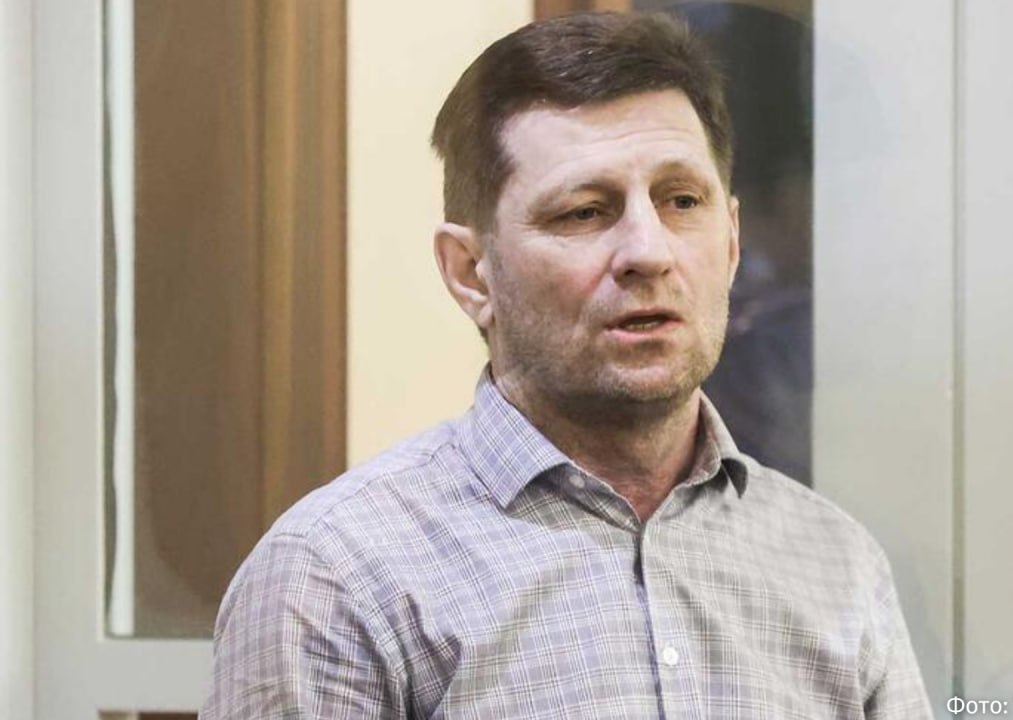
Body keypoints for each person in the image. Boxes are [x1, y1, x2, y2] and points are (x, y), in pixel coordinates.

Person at [203, 12, 931, 719]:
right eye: (584, 211)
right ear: (470, 273)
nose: (649, 251)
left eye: (682, 201)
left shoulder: (834, 562)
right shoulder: (338, 579)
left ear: (732, 242)